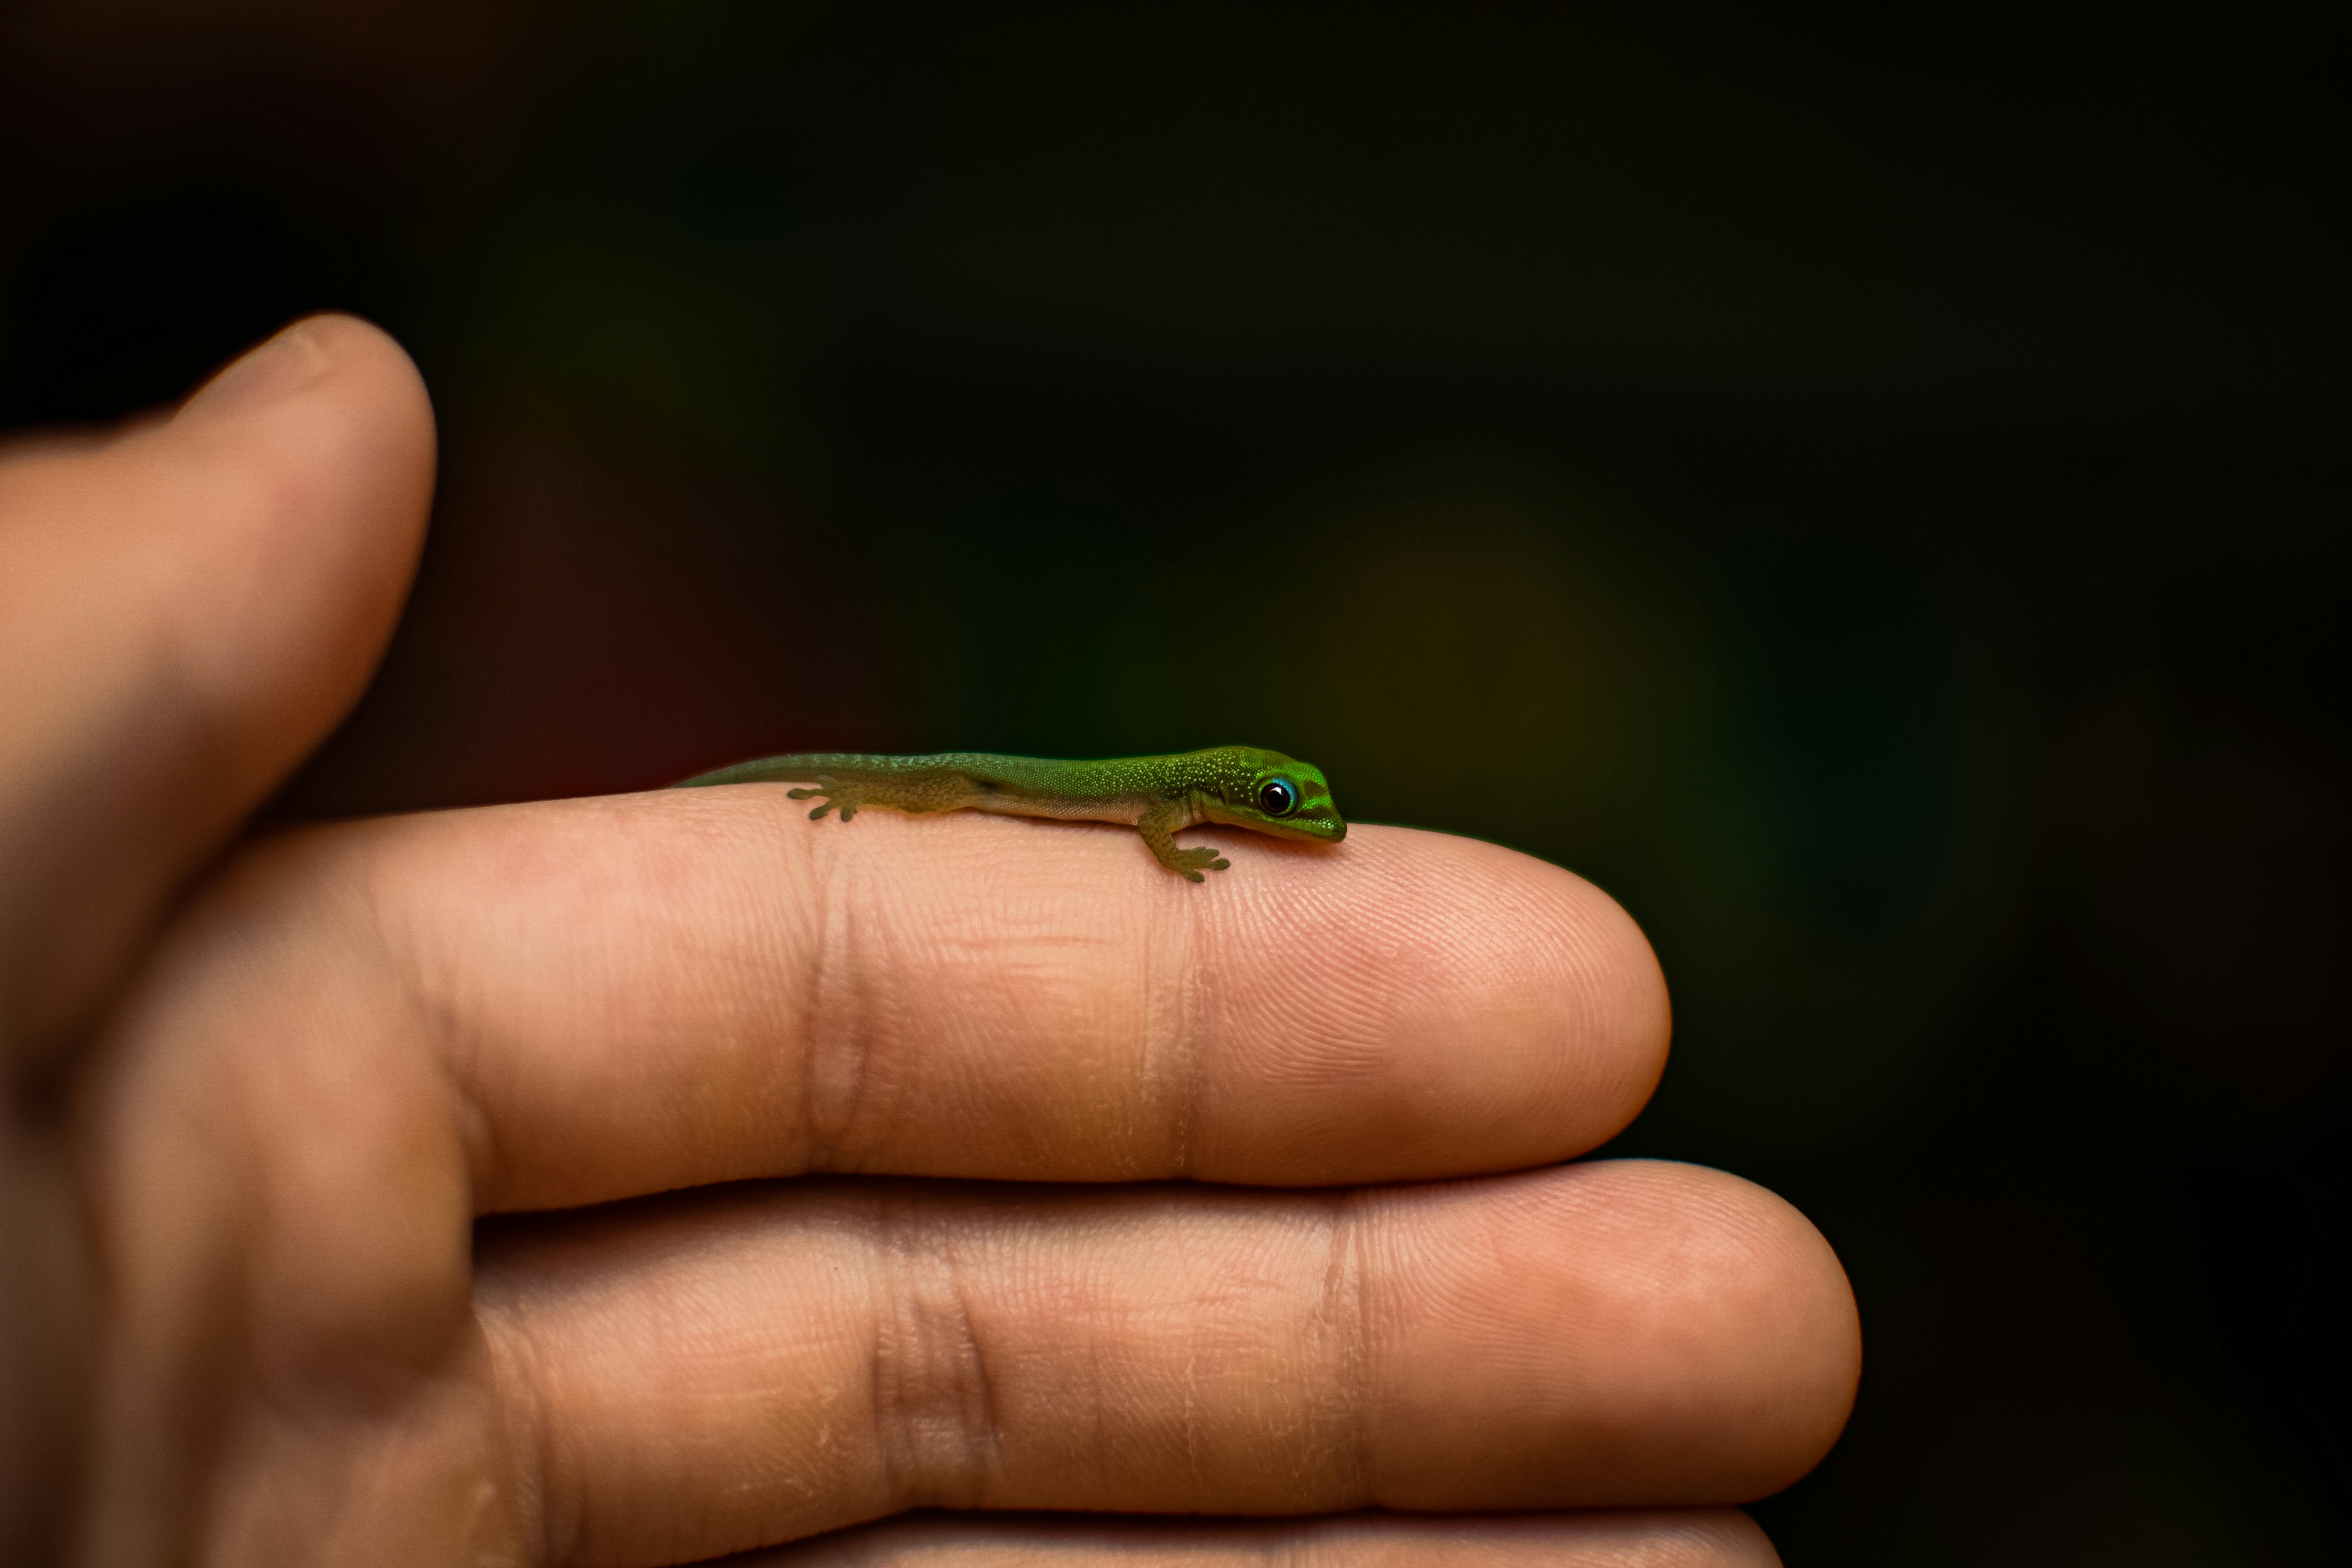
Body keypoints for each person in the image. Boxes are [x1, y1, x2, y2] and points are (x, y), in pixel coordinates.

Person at [0, 317, 1857, 1566]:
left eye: (1279, 814)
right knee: (888, 785)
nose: (1299, 829)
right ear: (1236, 789)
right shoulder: (1163, 805)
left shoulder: (1192, 793)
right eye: (1285, 810)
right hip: (968, 781)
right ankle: (817, 797)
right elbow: (1139, 834)